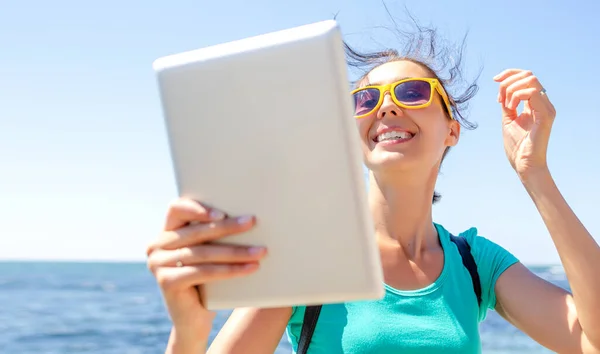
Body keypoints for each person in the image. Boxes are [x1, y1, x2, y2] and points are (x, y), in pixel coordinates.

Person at [145, 17, 600, 354]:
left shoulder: (474, 262)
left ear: (452, 130)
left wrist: (534, 172)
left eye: (412, 93)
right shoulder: (313, 259)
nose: (385, 108)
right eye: (366, 99)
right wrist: (188, 332)